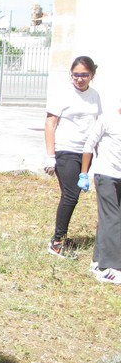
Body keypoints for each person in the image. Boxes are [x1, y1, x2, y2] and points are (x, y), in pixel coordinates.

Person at [44, 55, 102, 258]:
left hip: (85, 152)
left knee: (74, 195)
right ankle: (57, 242)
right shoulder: (63, 94)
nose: (79, 79)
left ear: (92, 75)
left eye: (84, 75)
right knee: (71, 195)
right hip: (65, 150)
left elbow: (97, 125)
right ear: (71, 74)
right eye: (76, 75)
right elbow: (50, 123)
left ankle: (61, 236)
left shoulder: (94, 96)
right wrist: (50, 156)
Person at [80, 101, 121, 283]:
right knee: (112, 218)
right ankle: (109, 267)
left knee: (109, 219)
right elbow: (89, 145)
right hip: (107, 175)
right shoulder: (108, 120)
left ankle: (97, 261)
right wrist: (84, 173)